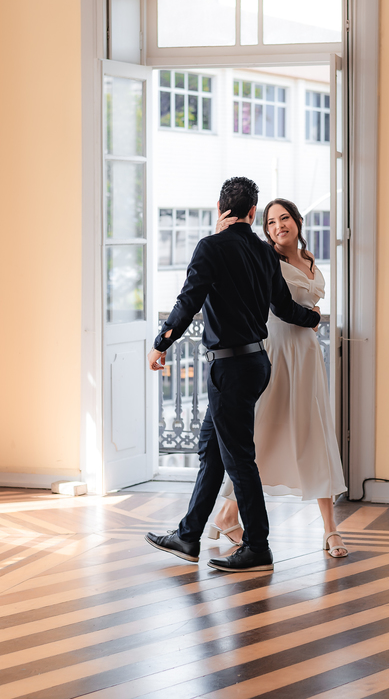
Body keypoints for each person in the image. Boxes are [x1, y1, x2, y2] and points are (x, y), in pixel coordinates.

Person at [145, 177, 321, 573]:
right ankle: (189, 535)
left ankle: (257, 546)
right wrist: (313, 318)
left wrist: (161, 343)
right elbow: (283, 306)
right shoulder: (263, 253)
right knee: (212, 450)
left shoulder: (211, 247)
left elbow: (189, 300)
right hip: (257, 364)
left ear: (219, 206)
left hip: (230, 368)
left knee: (239, 458)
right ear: (254, 212)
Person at [206, 198, 349, 558]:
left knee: (314, 433)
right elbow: (278, 306)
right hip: (275, 352)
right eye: (270, 222)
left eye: (284, 218)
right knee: (262, 432)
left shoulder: (311, 260)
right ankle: (226, 513)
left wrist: (313, 315)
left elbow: (310, 307)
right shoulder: (263, 257)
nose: (278, 226)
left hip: (307, 356)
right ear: (264, 228)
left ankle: (331, 530)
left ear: (297, 221)